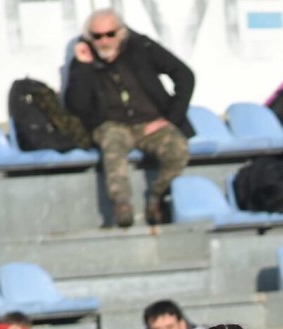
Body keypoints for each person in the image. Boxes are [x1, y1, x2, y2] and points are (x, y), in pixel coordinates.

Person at [63, 9, 194, 228]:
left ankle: (157, 197)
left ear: (121, 33)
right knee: (112, 144)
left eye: (110, 34)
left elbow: (184, 75)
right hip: (112, 124)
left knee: (178, 149)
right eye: (97, 36)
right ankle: (122, 204)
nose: (104, 41)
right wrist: (83, 68)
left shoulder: (141, 46)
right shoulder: (83, 58)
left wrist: (171, 118)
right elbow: (76, 106)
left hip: (151, 122)